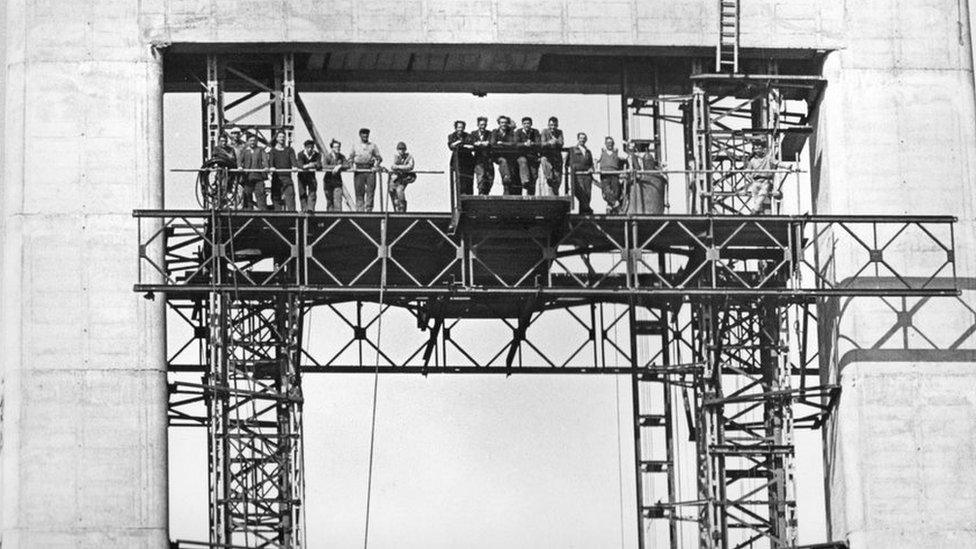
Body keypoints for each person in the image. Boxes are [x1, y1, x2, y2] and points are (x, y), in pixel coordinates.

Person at [623, 140, 666, 214]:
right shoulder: (631, 157)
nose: (648, 164)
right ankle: (624, 205)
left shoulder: (657, 177)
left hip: (650, 208)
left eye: (650, 162)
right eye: (647, 162)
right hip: (638, 206)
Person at [745, 140, 788, 214]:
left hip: (766, 181)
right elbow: (747, 171)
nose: (757, 150)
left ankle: (755, 210)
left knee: (763, 194)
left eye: (759, 148)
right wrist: (748, 175)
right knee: (756, 197)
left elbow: (777, 163)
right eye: (756, 149)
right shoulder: (752, 161)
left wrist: (787, 166)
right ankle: (759, 212)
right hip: (756, 181)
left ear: (762, 149)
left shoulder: (768, 158)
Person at [349, 127, 383, 211]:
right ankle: (360, 210)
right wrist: (352, 166)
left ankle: (369, 209)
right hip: (359, 170)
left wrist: (376, 166)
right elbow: (350, 158)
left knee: (370, 191)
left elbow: (379, 158)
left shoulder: (373, 146)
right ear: (360, 135)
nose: (365, 135)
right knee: (359, 191)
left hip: (369, 170)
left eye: (366, 133)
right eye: (363, 133)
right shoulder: (355, 145)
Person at [267, 130, 299, 211]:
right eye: (280, 137)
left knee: (290, 196)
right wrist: (271, 167)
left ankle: (292, 216)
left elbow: (293, 160)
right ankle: (278, 216)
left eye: (283, 137)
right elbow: (271, 161)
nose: (282, 139)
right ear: (277, 139)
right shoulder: (273, 151)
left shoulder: (290, 150)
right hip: (277, 177)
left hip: (287, 177)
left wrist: (295, 166)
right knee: (276, 197)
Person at [597, 136, 628, 213]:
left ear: (613, 144)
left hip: (615, 174)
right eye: (608, 143)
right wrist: (596, 169)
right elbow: (595, 160)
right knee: (606, 191)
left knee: (616, 192)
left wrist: (628, 167)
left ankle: (609, 208)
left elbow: (627, 157)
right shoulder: (602, 152)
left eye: (611, 143)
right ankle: (617, 207)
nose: (610, 144)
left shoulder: (617, 152)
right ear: (605, 144)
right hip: (605, 175)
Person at [238, 133, 268, 210]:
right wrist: (240, 167)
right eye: (250, 140)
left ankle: (263, 211)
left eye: (254, 140)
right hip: (248, 177)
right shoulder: (244, 151)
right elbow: (239, 160)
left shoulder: (260, 150)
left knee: (260, 194)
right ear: (247, 141)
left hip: (258, 176)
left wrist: (266, 167)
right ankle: (248, 211)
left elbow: (265, 160)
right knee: (247, 195)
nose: (252, 142)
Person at [490, 115, 519, 195]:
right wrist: (506, 145)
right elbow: (493, 143)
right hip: (498, 156)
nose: (504, 124)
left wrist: (502, 143)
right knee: (503, 161)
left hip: (509, 156)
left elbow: (513, 143)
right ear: (499, 123)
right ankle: (506, 178)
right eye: (502, 123)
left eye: (505, 123)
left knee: (511, 168)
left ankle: (507, 188)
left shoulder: (510, 132)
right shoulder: (495, 132)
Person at [567, 132, 595, 215]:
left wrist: (591, 169)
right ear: (578, 139)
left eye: (584, 138)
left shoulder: (588, 151)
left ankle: (583, 214)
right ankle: (587, 210)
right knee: (580, 193)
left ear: (586, 140)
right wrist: (573, 168)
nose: (582, 140)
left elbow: (591, 164)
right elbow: (567, 162)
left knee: (587, 194)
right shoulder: (572, 149)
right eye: (581, 138)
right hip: (577, 175)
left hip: (587, 176)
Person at [514, 116, 541, 195]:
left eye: (528, 123)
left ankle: (531, 196)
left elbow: (538, 143)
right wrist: (524, 144)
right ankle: (525, 181)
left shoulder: (535, 132)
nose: (526, 125)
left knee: (534, 176)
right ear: (522, 124)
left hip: (533, 157)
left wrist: (532, 144)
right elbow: (516, 143)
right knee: (523, 162)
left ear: (531, 124)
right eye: (525, 123)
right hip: (521, 155)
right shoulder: (518, 132)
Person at [468, 116, 494, 195]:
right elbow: (472, 142)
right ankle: (481, 193)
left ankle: (486, 193)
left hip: (488, 159)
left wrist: (481, 143)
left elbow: (490, 142)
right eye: (481, 125)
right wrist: (479, 144)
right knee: (481, 176)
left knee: (490, 177)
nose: (483, 127)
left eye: (484, 125)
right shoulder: (473, 133)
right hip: (478, 159)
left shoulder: (490, 133)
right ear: (478, 125)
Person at [539, 116, 565, 195]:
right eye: (551, 125)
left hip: (556, 157)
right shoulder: (544, 131)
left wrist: (556, 141)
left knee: (557, 178)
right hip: (547, 156)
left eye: (554, 125)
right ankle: (550, 184)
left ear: (557, 125)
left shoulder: (559, 132)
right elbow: (542, 143)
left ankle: (555, 194)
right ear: (548, 125)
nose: (552, 127)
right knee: (549, 177)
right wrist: (549, 142)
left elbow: (561, 143)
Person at [448, 120, 474, 196]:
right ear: (455, 128)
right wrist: (462, 144)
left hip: (468, 160)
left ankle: (469, 195)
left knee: (469, 179)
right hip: (457, 160)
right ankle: (461, 194)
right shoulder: (451, 136)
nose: (460, 129)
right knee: (460, 179)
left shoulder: (468, 135)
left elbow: (472, 145)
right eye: (459, 127)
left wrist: (459, 144)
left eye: (462, 127)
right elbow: (451, 146)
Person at [389, 142, 417, 212]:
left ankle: (402, 209)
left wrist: (399, 167)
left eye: (403, 149)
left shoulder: (409, 157)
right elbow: (392, 166)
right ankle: (396, 209)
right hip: (394, 177)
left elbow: (410, 166)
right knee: (392, 192)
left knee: (399, 191)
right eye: (400, 149)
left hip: (403, 178)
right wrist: (398, 167)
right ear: (397, 150)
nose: (401, 151)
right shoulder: (395, 156)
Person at [321, 139, 347, 212]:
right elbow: (324, 166)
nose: (337, 148)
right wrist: (334, 167)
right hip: (328, 181)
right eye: (335, 147)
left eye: (338, 147)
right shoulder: (328, 156)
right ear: (332, 148)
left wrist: (340, 166)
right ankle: (329, 219)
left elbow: (347, 164)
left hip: (337, 182)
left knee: (338, 201)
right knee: (329, 202)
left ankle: (338, 219)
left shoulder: (341, 157)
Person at [297, 139, 322, 212]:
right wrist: (309, 165)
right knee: (302, 192)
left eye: (311, 147)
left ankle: (310, 209)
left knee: (312, 192)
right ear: (305, 147)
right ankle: (304, 209)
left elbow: (319, 165)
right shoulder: (300, 154)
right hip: (302, 176)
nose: (310, 149)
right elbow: (300, 165)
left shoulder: (317, 155)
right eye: (308, 147)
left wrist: (313, 164)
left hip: (311, 176)